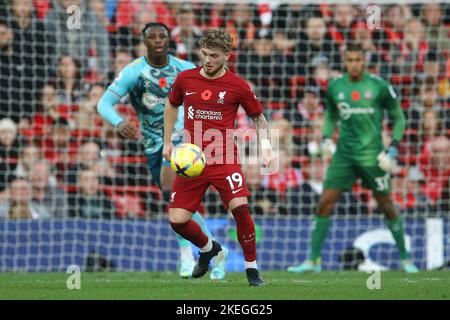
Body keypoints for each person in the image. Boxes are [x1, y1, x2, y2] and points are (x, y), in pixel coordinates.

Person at [97, 23, 226, 279]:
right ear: (144, 41)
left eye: (162, 36)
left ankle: (188, 257)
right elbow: (104, 103)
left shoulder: (186, 69)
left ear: (169, 40)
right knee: (177, 203)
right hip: (154, 145)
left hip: (184, 141)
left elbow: (215, 89)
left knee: (172, 193)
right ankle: (215, 250)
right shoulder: (135, 72)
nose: (158, 40)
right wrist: (119, 122)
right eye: (152, 37)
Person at [287, 43, 419, 274]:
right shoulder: (336, 86)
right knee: (325, 203)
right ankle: (313, 260)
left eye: (358, 59)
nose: (354, 64)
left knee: (386, 205)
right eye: (350, 60)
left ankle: (406, 259)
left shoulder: (378, 86)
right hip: (344, 156)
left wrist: (394, 148)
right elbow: (330, 114)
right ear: (345, 62)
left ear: (364, 60)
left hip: (372, 157)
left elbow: (398, 117)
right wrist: (327, 137)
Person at [162, 29, 277, 286]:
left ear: (227, 55)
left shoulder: (238, 85)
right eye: (204, 54)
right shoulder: (186, 79)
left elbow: (257, 117)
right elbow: (171, 105)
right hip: (191, 160)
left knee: (241, 209)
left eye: (214, 56)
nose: (208, 60)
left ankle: (252, 270)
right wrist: (168, 141)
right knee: (177, 220)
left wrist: (267, 147)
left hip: (224, 157)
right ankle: (208, 248)